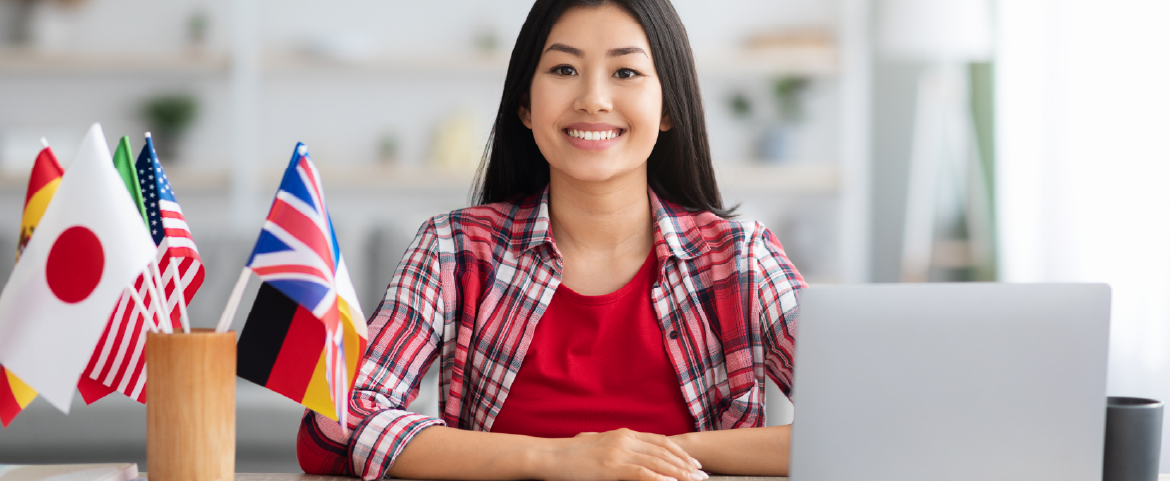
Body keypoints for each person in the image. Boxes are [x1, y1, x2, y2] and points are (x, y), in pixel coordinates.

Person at [297, 0, 804, 479]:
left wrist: (658, 453)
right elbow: (332, 425)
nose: (593, 98)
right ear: (525, 105)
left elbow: (869, 421)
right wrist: (558, 457)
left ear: (669, 107)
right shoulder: (453, 250)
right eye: (564, 69)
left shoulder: (740, 259)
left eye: (625, 72)